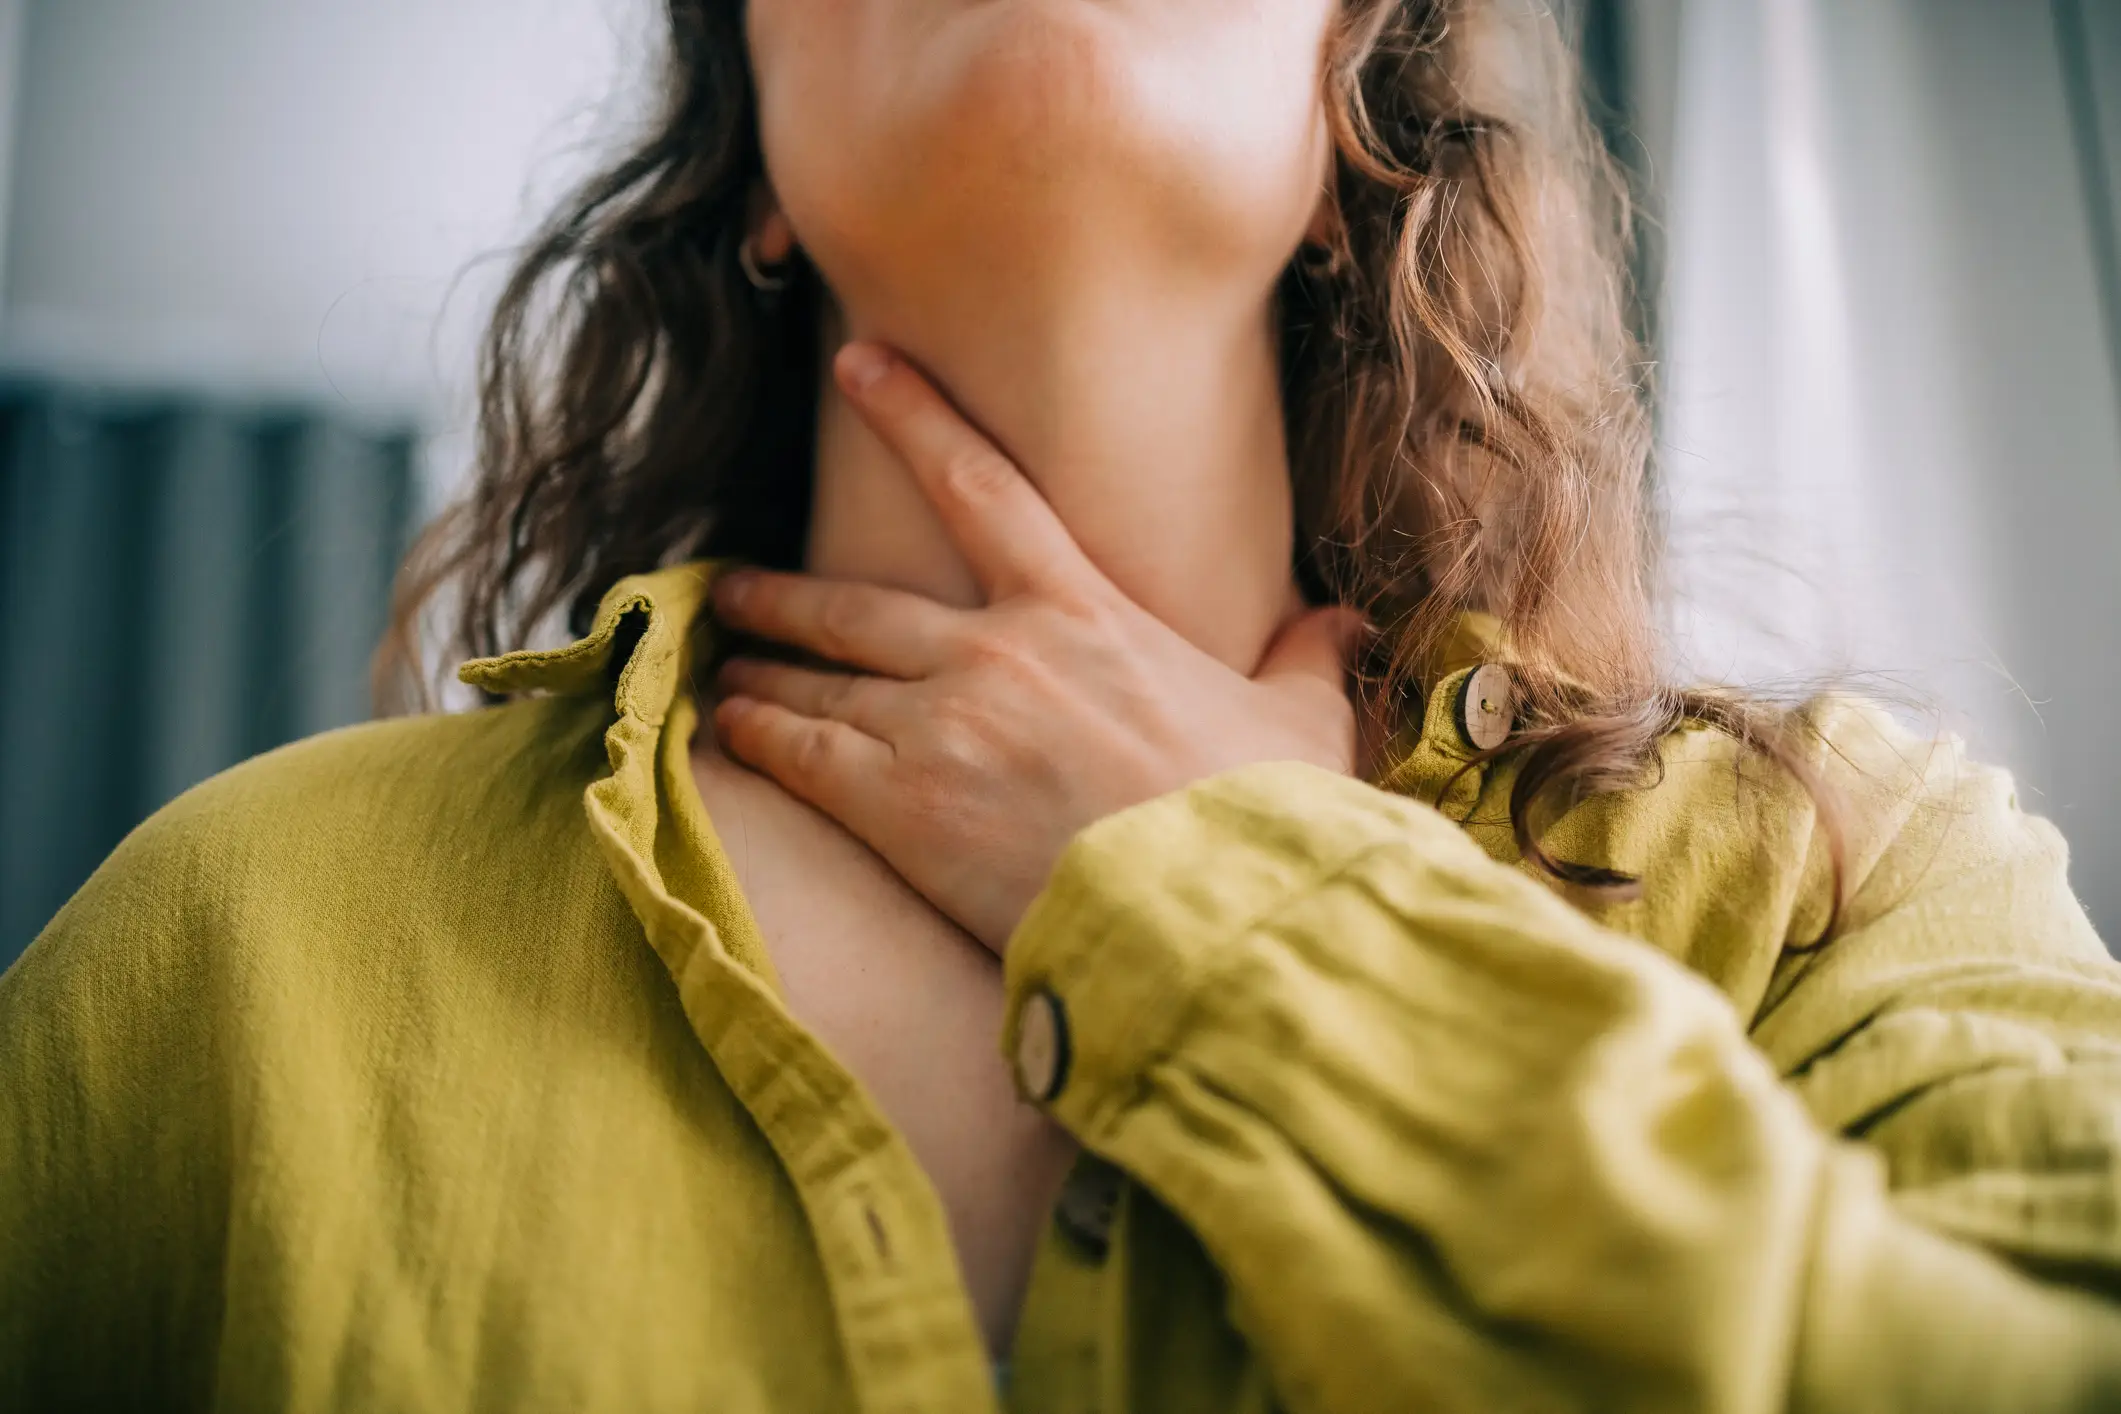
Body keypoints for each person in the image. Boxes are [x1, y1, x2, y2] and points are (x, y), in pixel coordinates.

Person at [3, 0, 2117, 1409]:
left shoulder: (1841, 876)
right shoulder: (221, 958)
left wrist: (1237, 894)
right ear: (754, 168)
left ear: (1351, 112)